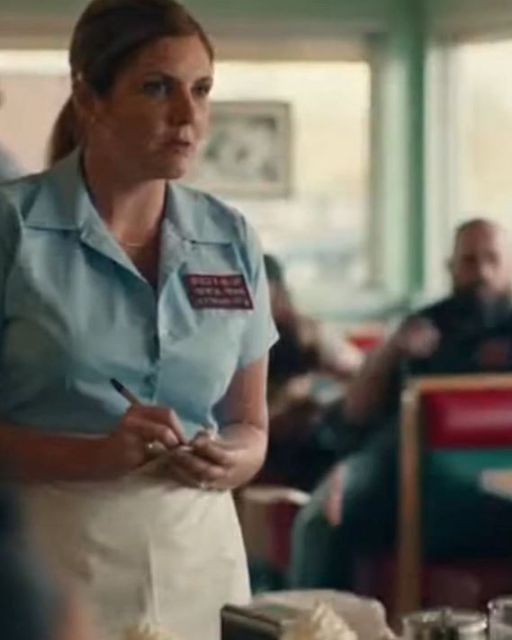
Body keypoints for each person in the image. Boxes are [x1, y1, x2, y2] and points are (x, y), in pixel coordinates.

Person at [0, 2, 277, 639]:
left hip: (201, 560)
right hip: (50, 559)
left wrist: (232, 458)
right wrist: (90, 455)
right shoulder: (13, 227)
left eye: (201, 90)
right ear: (89, 98)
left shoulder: (231, 237)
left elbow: (250, 424)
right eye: (157, 88)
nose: (188, 116)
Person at [290, 218, 512, 590]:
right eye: (470, 261)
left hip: (492, 469)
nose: (483, 272)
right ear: (451, 267)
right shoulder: (425, 324)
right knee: (324, 518)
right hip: (400, 456)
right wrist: (392, 350)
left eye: (493, 259)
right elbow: (356, 411)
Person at [259, 254, 363, 490]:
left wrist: (313, 387)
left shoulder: (302, 331)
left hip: (308, 432)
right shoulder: (231, 340)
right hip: (263, 435)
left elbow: (357, 369)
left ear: (277, 290)